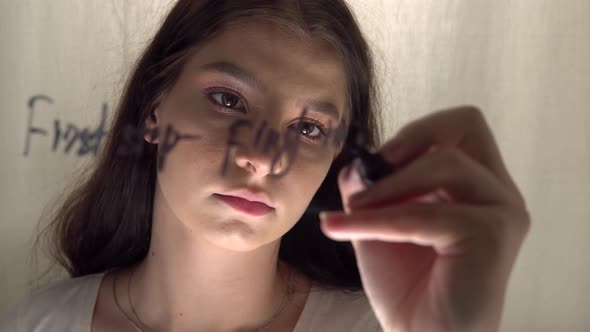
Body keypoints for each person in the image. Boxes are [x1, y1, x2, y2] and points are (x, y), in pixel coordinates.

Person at [0, 0, 531, 331]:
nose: (263, 158)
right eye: (228, 100)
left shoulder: (385, 328)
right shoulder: (39, 321)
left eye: (309, 129)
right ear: (153, 111)